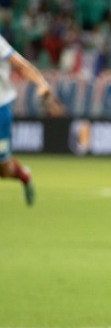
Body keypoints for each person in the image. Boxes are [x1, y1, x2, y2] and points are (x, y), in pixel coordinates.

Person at [0, 33, 56, 206]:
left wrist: (41, 83)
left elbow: (21, 65)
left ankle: (24, 175)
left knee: (4, 169)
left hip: (0, 107)